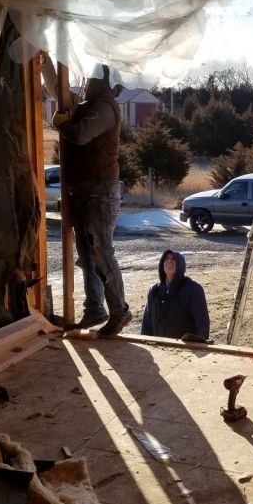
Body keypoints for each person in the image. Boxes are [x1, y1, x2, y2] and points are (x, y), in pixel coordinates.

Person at [54, 65, 131, 336]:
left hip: (100, 191)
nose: (88, 81)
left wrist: (63, 123)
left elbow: (80, 134)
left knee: (101, 252)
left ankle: (120, 311)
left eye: (94, 77)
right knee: (87, 255)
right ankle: (94, 309)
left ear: (106, 83)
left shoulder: (106, 108)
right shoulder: (92, 105)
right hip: (86, 190)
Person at [140, 249, 210, 341]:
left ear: (181, 265)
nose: (169, 261)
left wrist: (199, 346)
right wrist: (144, 342)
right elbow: (147, 323)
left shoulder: (193, 289)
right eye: (166, 259)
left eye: (174, 259)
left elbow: (202, 323)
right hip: (158, 346)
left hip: (184, 350)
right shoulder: (154, 290)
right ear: (162, 264)